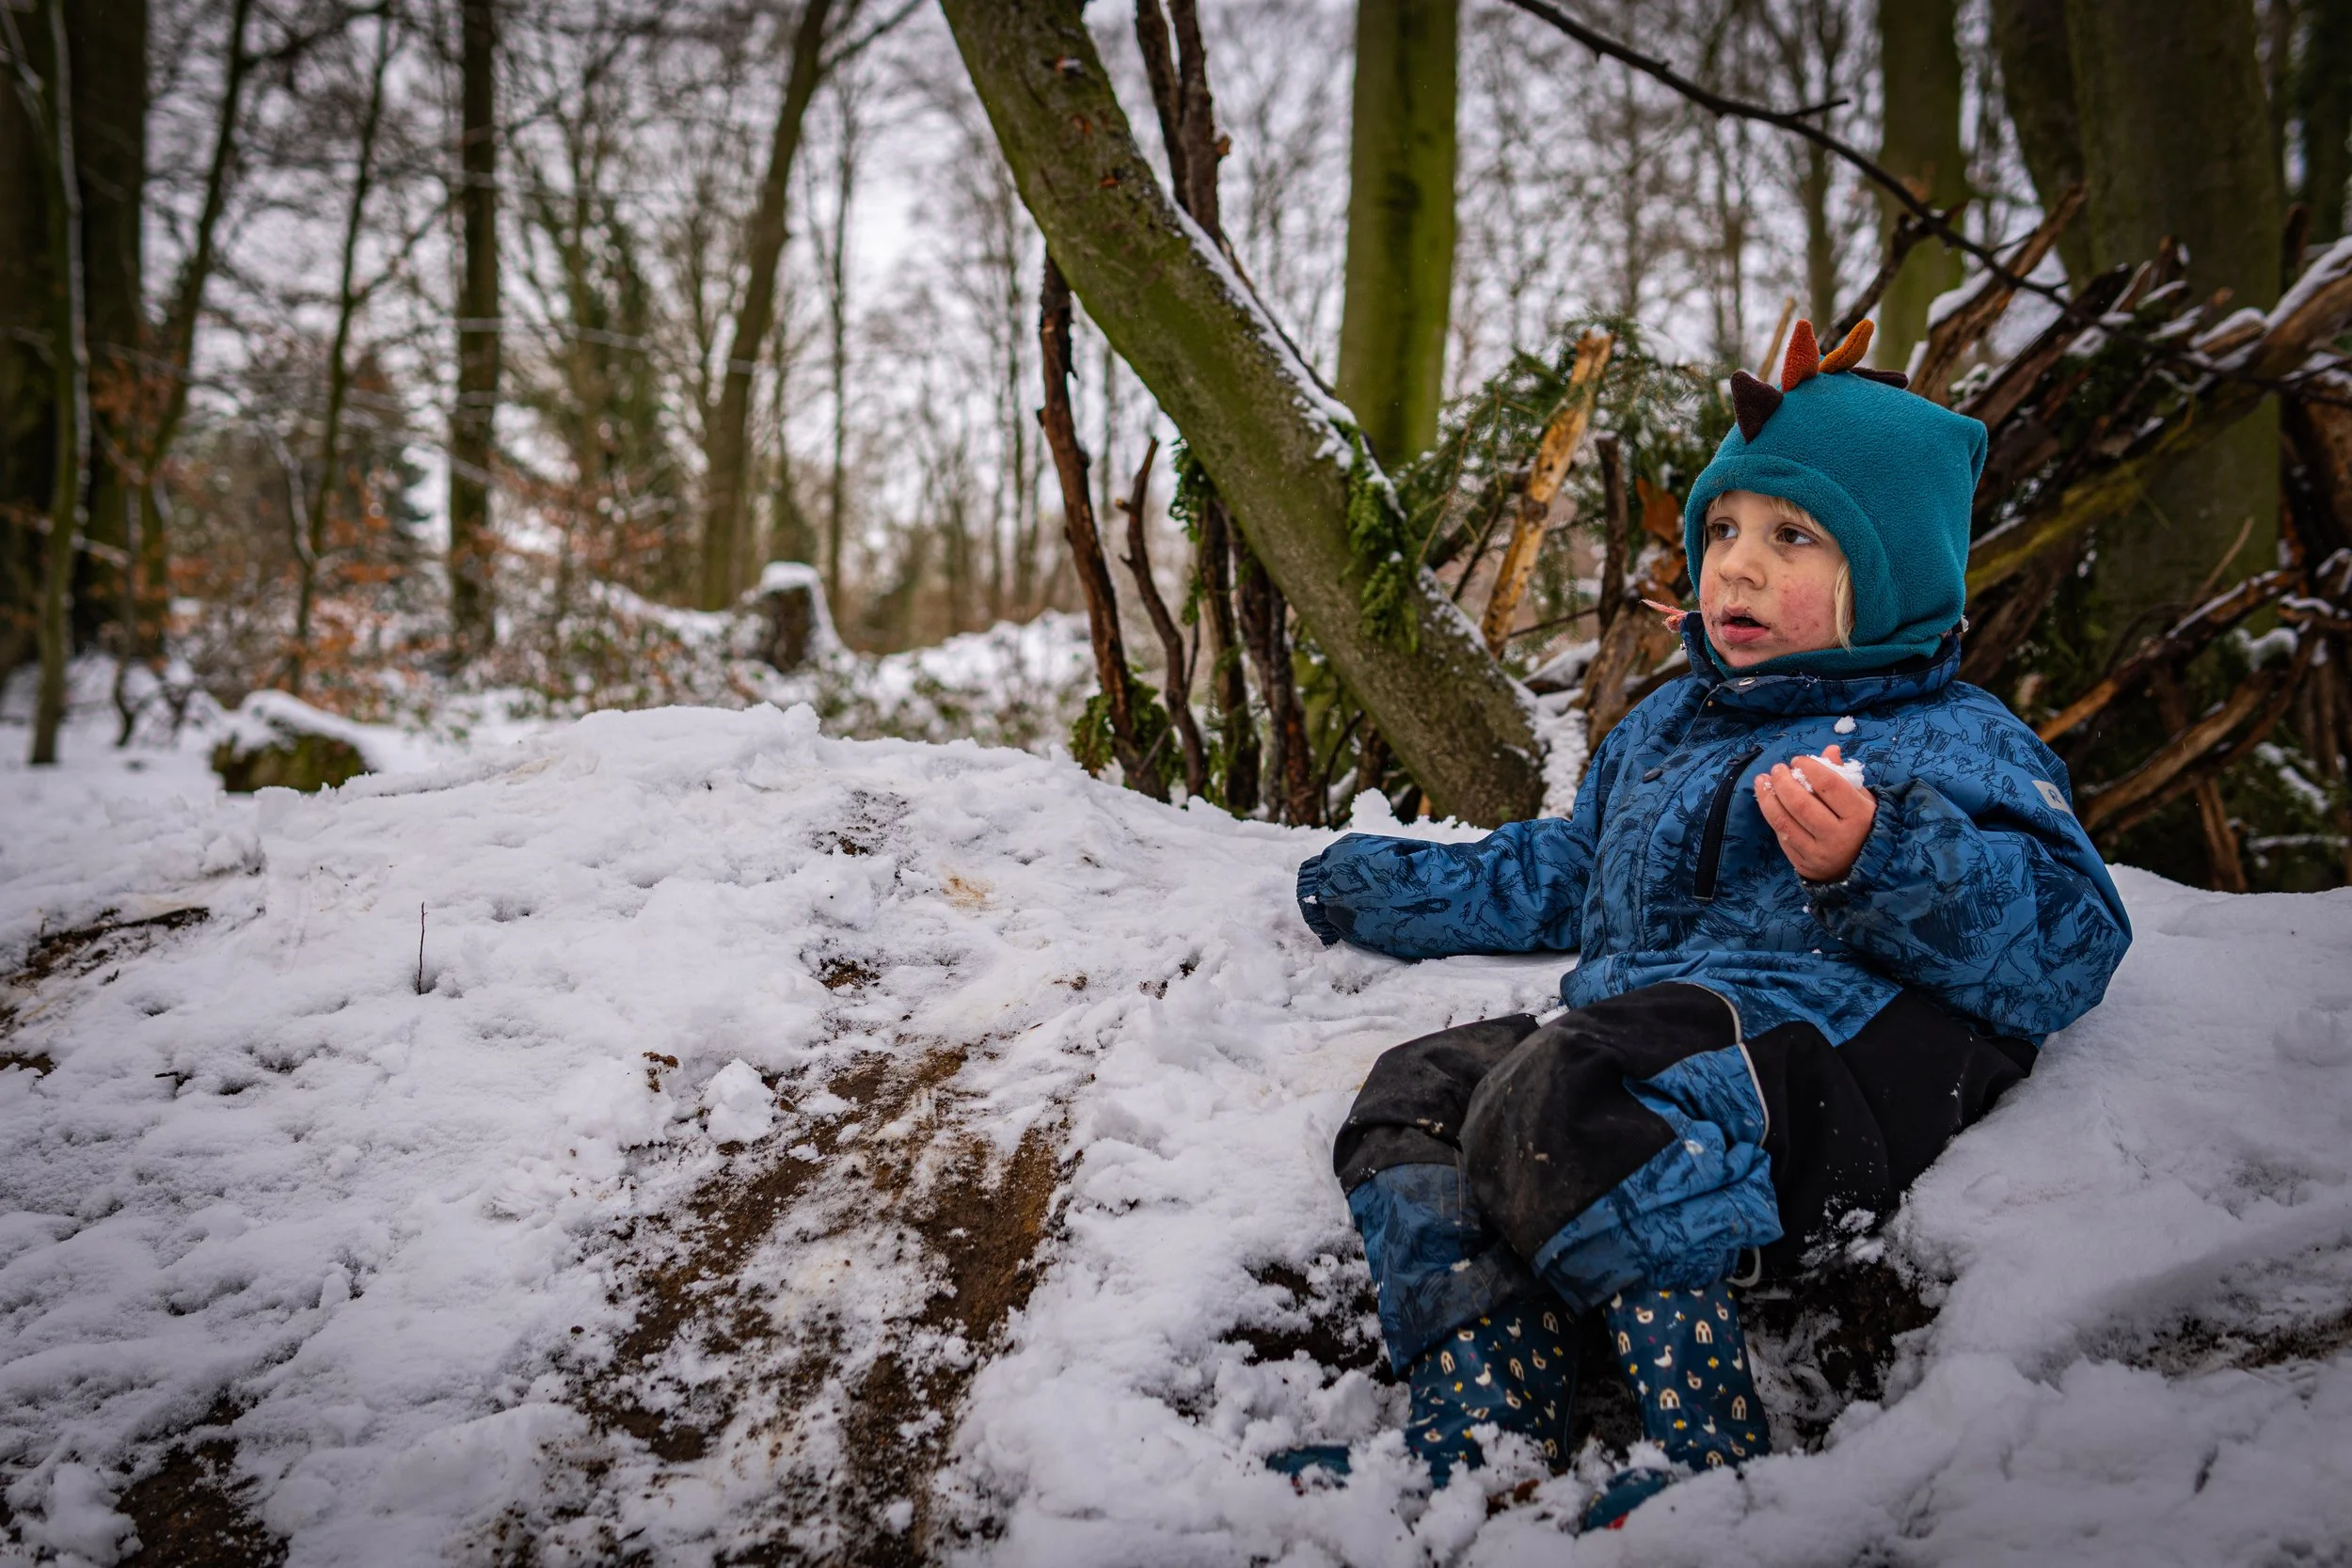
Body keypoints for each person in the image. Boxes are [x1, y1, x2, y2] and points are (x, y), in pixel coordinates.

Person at [1279, 321, 2133, 1528]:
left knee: (1570, 1074)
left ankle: (1705, 1449)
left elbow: (2070, 941)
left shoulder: (1946, 737)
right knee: (1418, 1090)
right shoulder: (1668, 727)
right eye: (1720, 530)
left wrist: (1878, 855)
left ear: (1890, 571)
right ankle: (1481, 1430)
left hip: (1837, 1069)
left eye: (1791, 538)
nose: (1734, 567)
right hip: (1658, 1046)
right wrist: (1375, 884)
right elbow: (1570, 870)